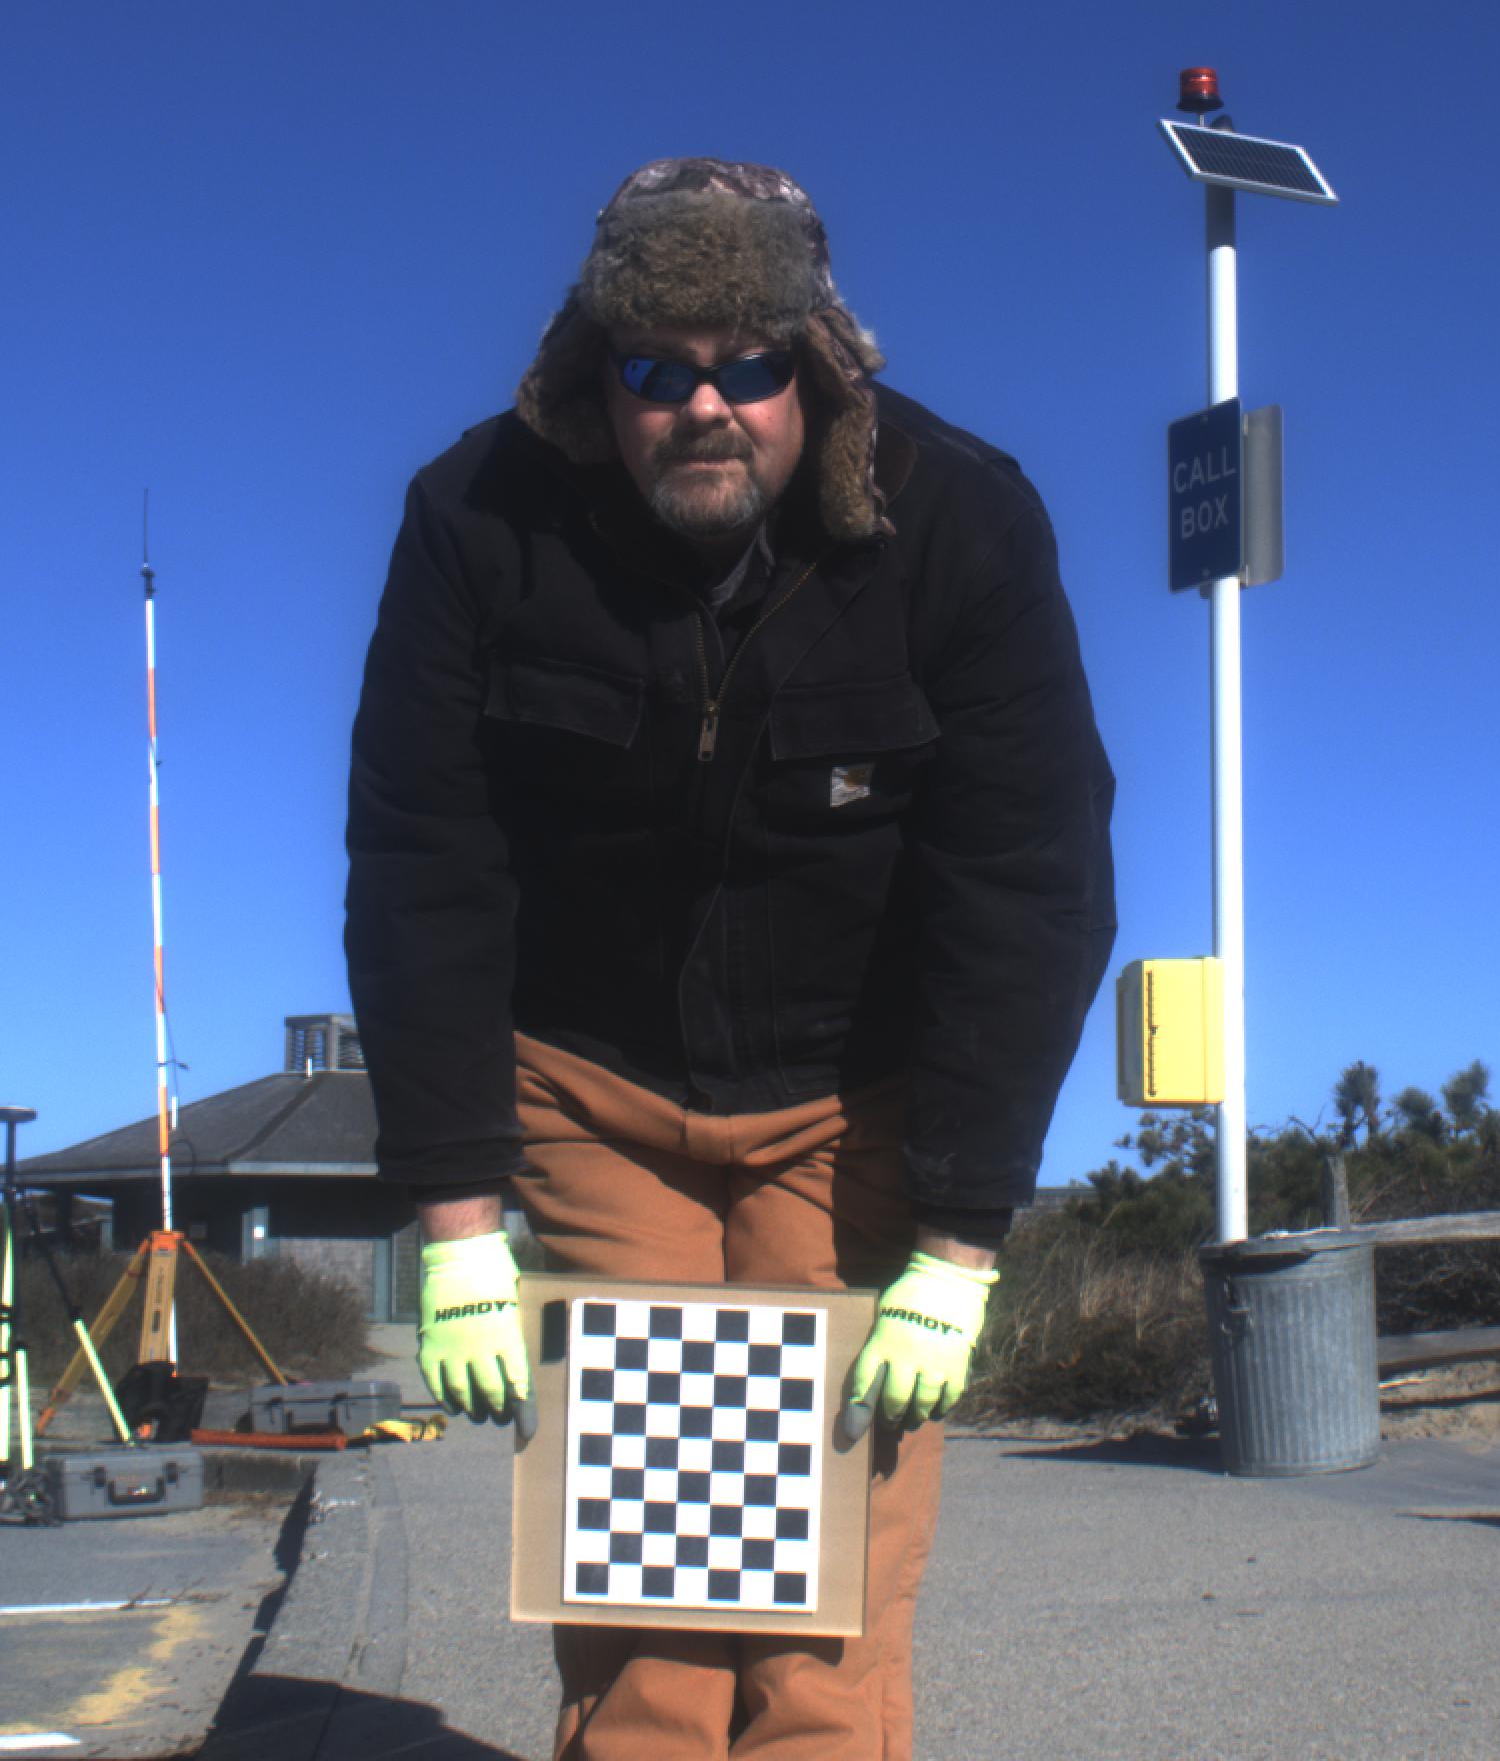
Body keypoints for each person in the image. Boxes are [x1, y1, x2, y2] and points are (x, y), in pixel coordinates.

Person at [344, 156, 1117, 1760]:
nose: (705, 407)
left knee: (823, 1601)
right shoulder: (476, 515)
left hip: (853, 1104)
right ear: (594, 375)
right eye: (656, 369)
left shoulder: (960, 519)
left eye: (748, 364)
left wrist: (961, 1246)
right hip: (595, 1091)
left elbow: (1027, 882)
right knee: (653, 1614)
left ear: (817, 368)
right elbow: (425, 864)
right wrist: (455, 1215)